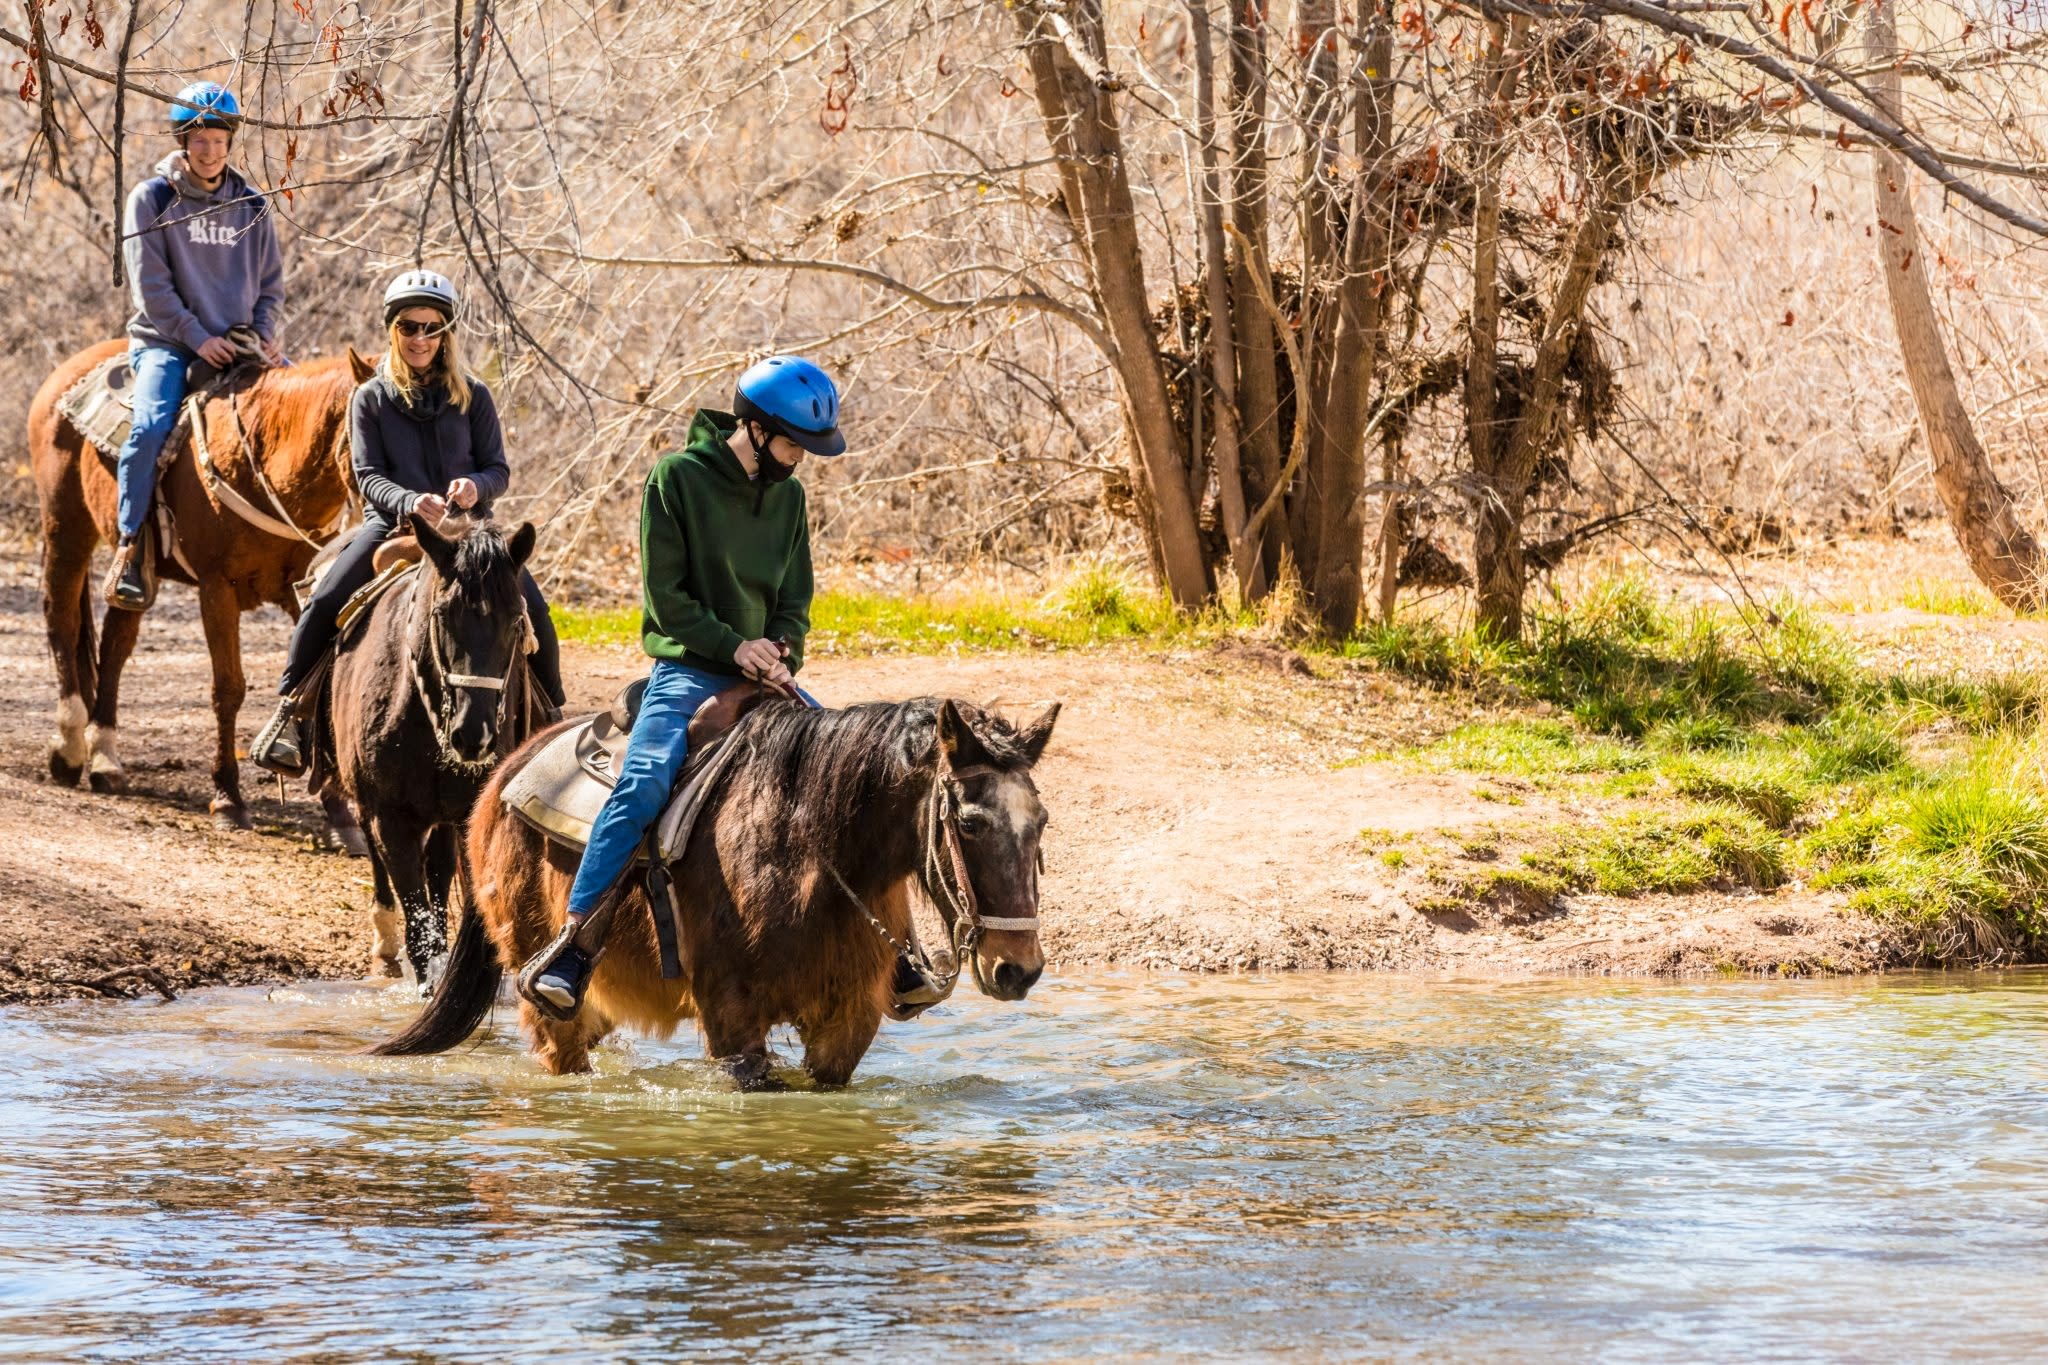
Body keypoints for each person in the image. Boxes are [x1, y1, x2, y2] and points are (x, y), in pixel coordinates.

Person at [519, 355, 844, 1017]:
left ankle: (892, 956)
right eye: (793, 443)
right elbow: (667, 603)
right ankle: (575, 946)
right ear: (754, 428)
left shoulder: (790, 496)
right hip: (689, 669)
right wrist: (734, 646)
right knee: (643, 782)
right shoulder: (677, 480)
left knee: (851, 773)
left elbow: (795, 601)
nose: (800, 458)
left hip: (768, 672)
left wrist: (782, 647)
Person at [249, 269, 566, 774]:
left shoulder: (474, 396)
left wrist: (474, 487)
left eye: (431, 327)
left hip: (469, 534)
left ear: (447, 334)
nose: (420, 338)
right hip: (393, 526)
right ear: (393, 330)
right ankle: (292, 713)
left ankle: (551, 719)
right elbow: (367, 474)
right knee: (328, 599)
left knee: (534, 614)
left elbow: (497, 469)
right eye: (409, 327)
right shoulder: (370, 398)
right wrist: (410, 502)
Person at [107, 80, 286, 610]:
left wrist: (265, 335)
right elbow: (152, 289)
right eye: (199, 139)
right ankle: (130, 547)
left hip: (239, 343)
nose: (209, 150)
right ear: (183, 140)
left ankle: (313, 547)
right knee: (148, 427)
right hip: (169, 342)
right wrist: (197, 338)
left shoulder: (252, 203)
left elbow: (271, 286)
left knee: (315, 411)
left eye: (218, 139)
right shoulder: (152, 199)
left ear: (230, 141)